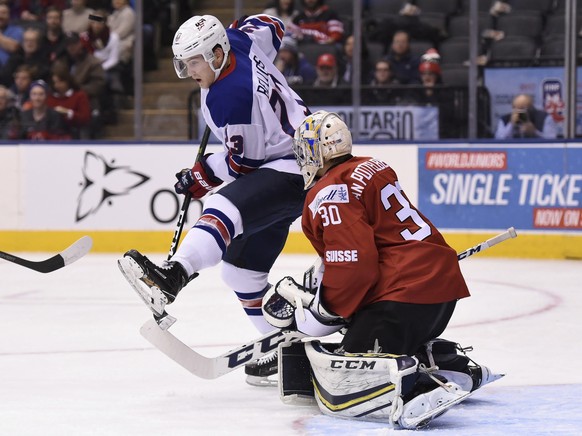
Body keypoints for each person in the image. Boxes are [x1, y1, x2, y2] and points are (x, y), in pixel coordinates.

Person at [261, 110, 501, 428]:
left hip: (402, 300)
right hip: (439, 293)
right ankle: (444, 363)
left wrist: (329, 307)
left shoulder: (328, 192)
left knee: (341, 383)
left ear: (312, 150)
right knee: (369, 331)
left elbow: (354, 265)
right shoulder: (371, 167)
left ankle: (412, 387)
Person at [117, 14, 311, 383]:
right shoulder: (239, 40)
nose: (188, 70)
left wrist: (202, 175)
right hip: (289, 160)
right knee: (241, 273)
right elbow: (271, 25)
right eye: (184, 62)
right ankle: (288, 348)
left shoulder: (232, 94)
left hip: (294, 167)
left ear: (217, 52)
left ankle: (174, 275)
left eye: (194, 61)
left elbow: (246, 161)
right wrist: (237, 27)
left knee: (222, 206)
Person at [47, 65, 91, 139]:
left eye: (60, 82)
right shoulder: (50, 97)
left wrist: (68, 112)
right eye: (55, 82)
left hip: (73, 133)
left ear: (67, 81)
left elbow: (85, 118)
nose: (57, 85)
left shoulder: (79, 96)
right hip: (51, 134)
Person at [0, 3, 23, 67]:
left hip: (8, 69)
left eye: (4, 13)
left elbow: (14, 48)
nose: (0, 16)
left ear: (9, 15)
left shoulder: (17, 30)